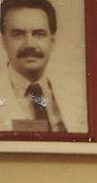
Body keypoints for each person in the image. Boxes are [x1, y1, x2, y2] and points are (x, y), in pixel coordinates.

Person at [0, 0, 79, 132]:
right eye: (18, 34)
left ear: (52, 41)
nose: (30, 44)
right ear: (4, 42)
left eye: (39, 34)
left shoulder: (74, 95)